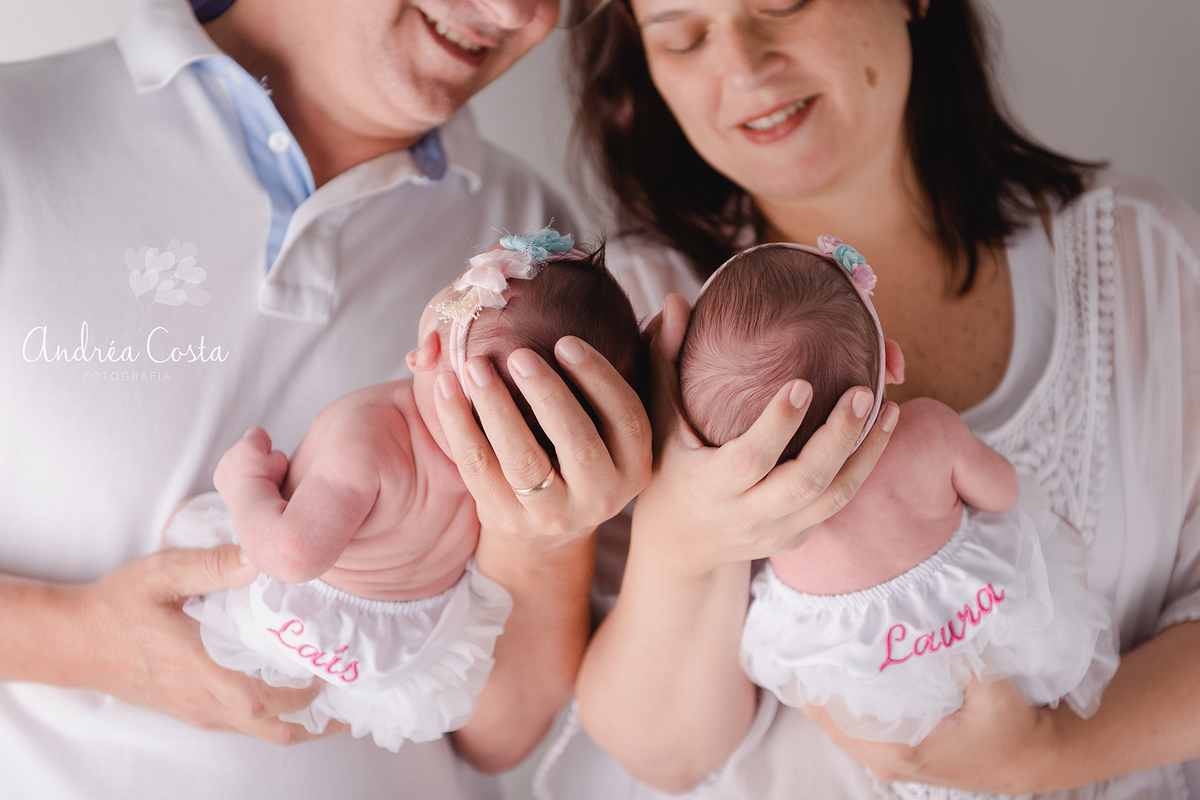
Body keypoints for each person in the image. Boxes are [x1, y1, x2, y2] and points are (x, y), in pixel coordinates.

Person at [535, 0, 1200, 797]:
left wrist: (1045, 752)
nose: (742, 67)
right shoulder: (635, 320)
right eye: (684, 36)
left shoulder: (1139, 258)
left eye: (781, 3)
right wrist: (687, 540)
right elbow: (666, 755)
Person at [0, 0, 651, 796]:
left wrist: (548, 536)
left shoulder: (531, 255)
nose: (515, 11)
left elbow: (499, 733)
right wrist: (84, 644)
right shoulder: (17, 132)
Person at [164, 234, 639, 752]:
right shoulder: (500, 489)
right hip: (408, 656)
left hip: (298, 616)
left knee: (205, 535)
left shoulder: (374, 436)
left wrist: (247, 486)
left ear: (430, 345)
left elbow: (292, 555)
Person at [683, 241, 1116, 800]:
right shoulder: (928, 430)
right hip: (972, 619)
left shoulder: (760, 506)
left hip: (856, 667)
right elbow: (1004, 492)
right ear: (891, 360)